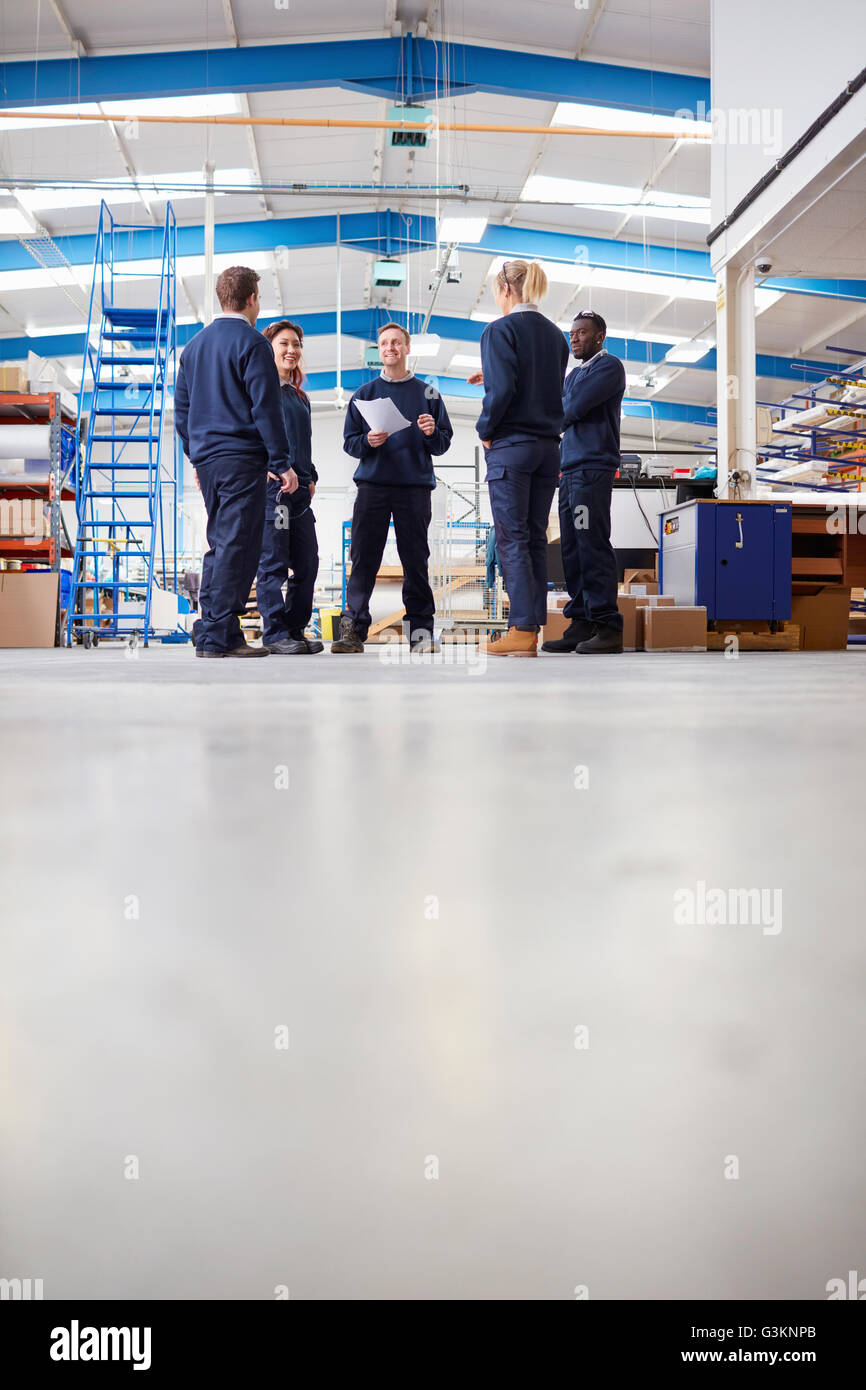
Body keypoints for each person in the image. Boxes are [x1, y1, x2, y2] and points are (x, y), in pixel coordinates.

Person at [175, 266, 297, 658]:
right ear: (251, 300)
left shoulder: (193, 348)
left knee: (223, 544)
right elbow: (266, 408)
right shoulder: (252, 343)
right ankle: (216, 637)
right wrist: (282, 461)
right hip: (241, 459)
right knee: (237, 546)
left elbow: (182, 410)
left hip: (209, 462)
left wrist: (196, 456)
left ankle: (217, 629)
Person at [334, 321, 453, 654]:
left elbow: (443, 444)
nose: (390, 348)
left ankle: (421, 634)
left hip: (414, 487)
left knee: (415, 559)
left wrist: (431, 433)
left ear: (407, 348)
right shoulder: (364, 394)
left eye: (396, 342)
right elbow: (350, 443)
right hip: (372, 486)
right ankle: (353, 630)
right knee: (363, 558)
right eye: (384, 343)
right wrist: (368, 441)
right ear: (379, 350)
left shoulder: (428, 393)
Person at [471, 259, 569, 657]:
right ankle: (530, 629)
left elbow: (505, 391)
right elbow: (537, 385)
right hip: (548, 448)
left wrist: (485, 429)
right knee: (533, 538)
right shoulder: (557, 336)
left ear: (505, 290)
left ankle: (521, 630)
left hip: (512, 446)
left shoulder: (499, 329)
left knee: (511, 537)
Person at [542, 310, 626, 655]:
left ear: (599, 337)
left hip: (592, 469)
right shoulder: (573, 374)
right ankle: (581, 622)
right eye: (572, 333)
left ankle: (607, 625)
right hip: (570, 470)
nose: (574, 338)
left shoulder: (608, 367)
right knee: (572, 548)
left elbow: (569, 409)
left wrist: (551, 412)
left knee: (591, 542)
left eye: (582, 333)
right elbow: (557, 407)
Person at [256, 320, 323, 655]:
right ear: (270, 349)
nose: (291, 350)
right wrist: (266, 465)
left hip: (300, 494)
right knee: (274, 563)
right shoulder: (259, 390)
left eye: (296, 344)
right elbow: (251, 434)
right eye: (284, 344)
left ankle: (295, 629)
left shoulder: (300, 396)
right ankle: (274, 633)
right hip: (274, 492)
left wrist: (310, 479)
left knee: (308, 562)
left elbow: (304, 443)